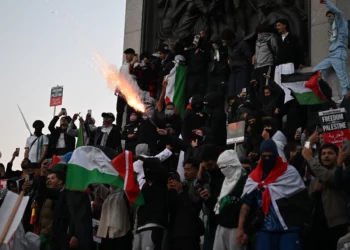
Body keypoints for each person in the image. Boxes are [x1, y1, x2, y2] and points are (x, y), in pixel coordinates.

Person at [237, 140, 306, 250]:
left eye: (271, 156)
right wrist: (240, 228)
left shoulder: (289, 173)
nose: (268, 159)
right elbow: (246, 204)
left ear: (276, 155)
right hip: (265, 229)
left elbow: (302, 200)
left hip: (289, 228)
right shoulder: (255, 177)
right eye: (265, 156)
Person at [302, 136, 349, 250]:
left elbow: (328, 177)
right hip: (318, 226)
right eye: (323, 154)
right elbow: (304, 155)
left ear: (338, 156)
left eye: (330, 153)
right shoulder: (316, 177)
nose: (326, 156)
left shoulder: (342, 173)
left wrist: (309, 158)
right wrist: (308, 141)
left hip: (338, 225)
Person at [314, 0, 350, 99]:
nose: (329, 19)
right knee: (316, 71)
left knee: (342, 78)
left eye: (330, 16)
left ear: (334, 16)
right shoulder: (332, 29)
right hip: (331, 55)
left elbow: (337, 12)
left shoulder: (341, 24)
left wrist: (326, 2)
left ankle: (345, 99)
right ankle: (323, 92)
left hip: (339, 53)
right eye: (327, 17)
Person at [213, 150, 247, 250]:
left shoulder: (245, 181)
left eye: (224, 167)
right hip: (222, 226)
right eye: (220, 168)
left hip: (236, 228)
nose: (222, 170)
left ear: (232, 164)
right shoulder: (224, 181)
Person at [133, 158, 169, 250]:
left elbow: (159, 168)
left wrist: (141, 158)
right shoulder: (145, 186)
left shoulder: (161, 183)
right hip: (141, 227)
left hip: (154, 226)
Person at [167, 159, 203, 250]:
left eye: (188, 169)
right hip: (176, 232)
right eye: (184, 169)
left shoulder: (198, 186)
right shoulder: (183, 185)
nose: (185, 172)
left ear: (196, 171)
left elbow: (192, 207)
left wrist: (180, 192)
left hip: (190, 234)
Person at [93, 184, 132, 250]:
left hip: (121, 234)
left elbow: (132, 211)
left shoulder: (125, 194)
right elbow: (97, 185)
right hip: (106, 235)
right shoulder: (108, 193)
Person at [274, 19, 304, 103]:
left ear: (285, 25)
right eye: (277, 26)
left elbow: (298, 50)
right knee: (278, 84)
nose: (277, 27)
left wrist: (300, 62)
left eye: (279, 25)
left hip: (288, 64)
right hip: (279, 65)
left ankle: (289, 101)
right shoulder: (277, 39)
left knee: (288, 84)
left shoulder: (292, 38)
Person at [222, 29, 252, 97]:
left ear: (230, 39)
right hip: (233, 70)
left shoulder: (242, 44)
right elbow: (230, 55)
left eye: (225, 40)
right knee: (231, 92)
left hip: (242, 70)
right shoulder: (229, 46)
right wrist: (229, 60)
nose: (223, 42)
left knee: (241, 91)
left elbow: (249, 57)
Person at [252, 24, 279, 97]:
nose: (258, 34)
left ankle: (268, 106)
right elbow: (257, 52)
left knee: (266, 87)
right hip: (257, 66)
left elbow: (276, 51)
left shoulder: (272, 38)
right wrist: (254, 57)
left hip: (266, 65)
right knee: (257, 87)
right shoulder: (258, 40)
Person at [116, 48, 139, 131]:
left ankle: (127, 128)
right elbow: (119, 78)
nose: (127, 56)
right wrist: (117, 88)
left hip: (131, 93)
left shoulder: (136, 65)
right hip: (122, 91)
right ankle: (118, 128)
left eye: (128, 54)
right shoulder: (123, 66)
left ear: (133, 55)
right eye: (126, 54)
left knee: (129, 111)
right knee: (119, 111)